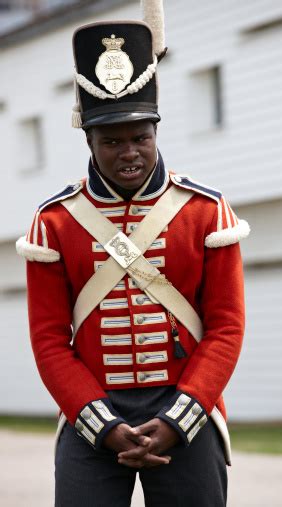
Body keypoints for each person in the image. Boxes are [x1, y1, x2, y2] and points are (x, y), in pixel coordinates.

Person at [16, 2, 249, 505]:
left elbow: (226, 327)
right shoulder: (54, 221)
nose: (129, 153)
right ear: (88, 138)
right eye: (112, 140)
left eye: (140, 137)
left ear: (156, 132)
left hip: (188, 404)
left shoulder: (206, 211)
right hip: (91, 411)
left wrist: (178, 417)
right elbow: (49, 340)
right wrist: (102, 426)